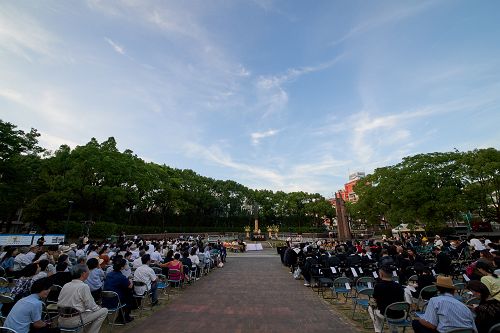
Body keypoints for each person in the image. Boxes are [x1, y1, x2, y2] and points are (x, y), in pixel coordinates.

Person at [412, 276, 476, 333]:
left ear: (438, 289)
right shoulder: (464, 306)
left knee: (416, 323)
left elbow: (432, 325)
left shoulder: (434, 300)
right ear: (453, 290)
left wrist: (419, 320)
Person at [57, 264, 108, 333]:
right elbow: (91, 306)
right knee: (104, 311)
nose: (89, 272)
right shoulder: (83, 286)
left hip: (61, 320)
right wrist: (99, 308)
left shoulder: (66, 285)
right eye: (88, 271)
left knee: (90, 311)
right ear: (83, 273)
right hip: (74, 321)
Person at [368, 265, 404, 333]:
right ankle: (394, 330)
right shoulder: (399, 286)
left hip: (387, 315)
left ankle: (378, 330)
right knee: (391, 307)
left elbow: (375, 300)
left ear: (381, 274)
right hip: (401, 315)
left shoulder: (378, 286)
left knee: (371, 308)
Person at [102, 258, 135, 324]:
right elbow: (130, 286)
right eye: (125, 264)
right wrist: (131, 280)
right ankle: (125, 317)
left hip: (105, 300)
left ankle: (121, 316)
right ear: (122, 267)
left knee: (126, 293)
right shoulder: (120, 276)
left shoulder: (109, 274)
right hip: (115, 300)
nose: (126, 265)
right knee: (129, 294)